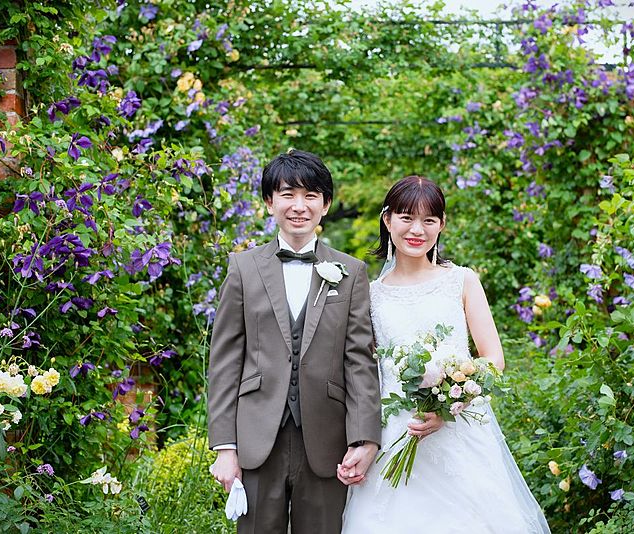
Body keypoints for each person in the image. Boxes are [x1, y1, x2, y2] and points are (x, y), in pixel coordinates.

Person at [341, 175, 551, 534]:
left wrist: (449, 405)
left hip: (459, 432)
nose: (417, 230)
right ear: (387, 220)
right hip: (395, 432)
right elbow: (363, 370)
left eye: (429, 220)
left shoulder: (462, 281)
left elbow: (493, 358)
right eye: (406, 218)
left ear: (442, 224)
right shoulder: (370, 294)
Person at [208, 149, 381, 534]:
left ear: (326, 205)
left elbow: (359, 362)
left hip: (327, 440)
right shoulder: (243, 268)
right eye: (288, 194)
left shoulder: (351, 273)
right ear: (270, 202)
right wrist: (225, 447)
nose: (299, 206)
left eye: (310, 196)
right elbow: (224, 363)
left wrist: (365, 438)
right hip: (256, 439)